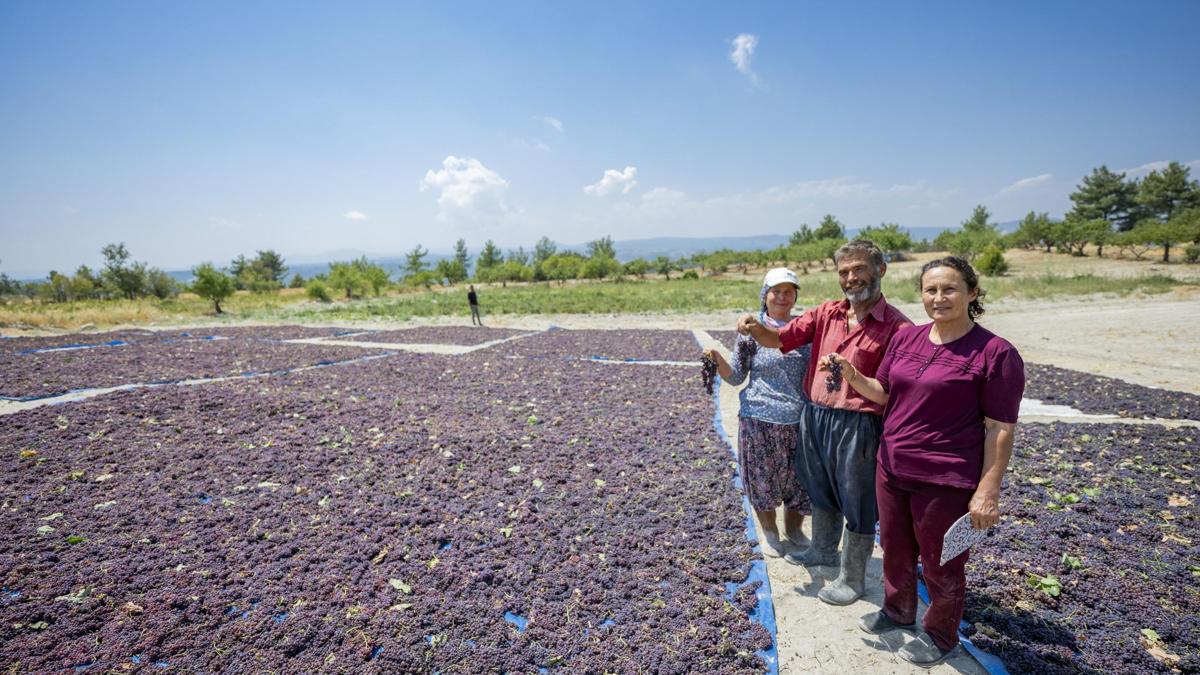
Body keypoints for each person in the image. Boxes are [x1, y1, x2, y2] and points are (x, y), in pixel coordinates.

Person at [823, 257, 1024, 667]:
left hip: (946, 479)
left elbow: (1000, 427)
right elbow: (883, 392)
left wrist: (988, 489)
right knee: (895, 549)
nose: (938, 298)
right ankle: (898, 611)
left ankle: (940, 634)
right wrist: (851, 374)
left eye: (949, 289)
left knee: (941, 564)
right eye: (930, 290)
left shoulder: (995, 353)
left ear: (972, 292)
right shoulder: (906, 339)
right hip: (892, 468)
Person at [738, 239, 911, 606]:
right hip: (815, 416)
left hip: (859, 425)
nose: (851, 278)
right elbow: (777, 339)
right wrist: (753, 327)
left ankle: (852, 578)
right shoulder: (826, 313)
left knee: (858, 500)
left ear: (880, 270)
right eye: (844, 272)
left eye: (859, 269)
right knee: (820, 489)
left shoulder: (897, 327)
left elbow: (895, 391)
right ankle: (822, 550)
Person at [704, 268, 812, 557]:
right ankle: (770, 532)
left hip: (798, 418)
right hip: (759, 417)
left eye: (789, 291)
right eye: (776, 290)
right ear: (765, 295)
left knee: (799, 482)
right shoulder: (750, 331)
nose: (782, 296)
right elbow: (736, 375)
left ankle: (794, 530)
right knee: (762, 479)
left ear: (795, 296)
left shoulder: (805, 330)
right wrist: (716, 358)